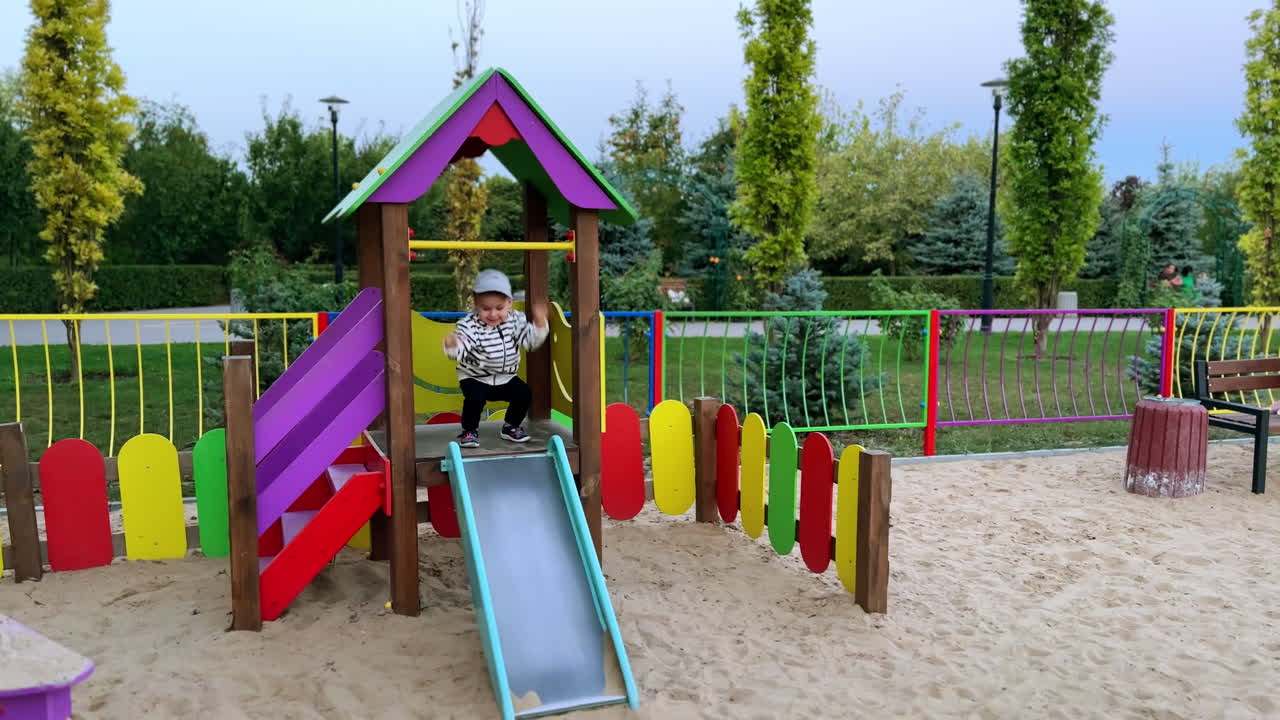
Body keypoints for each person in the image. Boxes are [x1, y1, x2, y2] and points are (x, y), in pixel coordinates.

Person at [443, 269, 549, 448]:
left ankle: (511, 426)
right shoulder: (470, 325)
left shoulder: (516, 320)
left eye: (499, 308)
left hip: (505, 377)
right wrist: (453, 346)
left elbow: (529, 342)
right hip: (475, 377)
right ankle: (469, 430)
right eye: (486, 309)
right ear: (476, 304)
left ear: (509, 303)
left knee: (524, 393)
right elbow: (463, 347)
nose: (493, 314)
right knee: (474, 399)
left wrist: (539, 325)